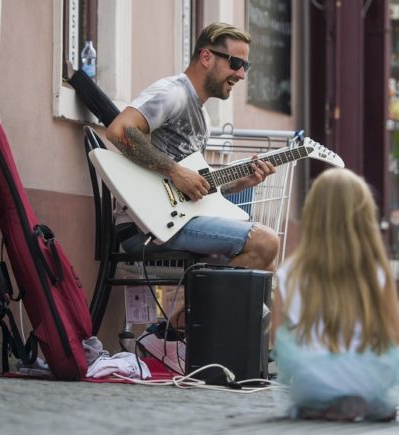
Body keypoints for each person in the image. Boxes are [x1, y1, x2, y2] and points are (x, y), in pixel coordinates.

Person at [105, 22, 279, 374]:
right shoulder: (172, 93)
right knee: (265, 241)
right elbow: (119, 131)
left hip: (178, 219)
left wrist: (236, 181)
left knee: (265, 261)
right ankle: (173, 335)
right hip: (144, 224)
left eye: (246, 67)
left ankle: (194, 342)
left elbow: (193, 189)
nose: (241, 74)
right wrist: (175, 171)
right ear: (206, 56)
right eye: (235, 63)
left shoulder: (200, 115)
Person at [272, 168, 399, 422]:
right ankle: (368, 399)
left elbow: (278, 339)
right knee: (394, 346)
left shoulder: (289, 272)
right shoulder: (376, 272)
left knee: (295, 353)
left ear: (312, 214)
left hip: (313, 379)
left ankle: (321, 404)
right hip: (369, 377)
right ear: (364, 217)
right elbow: (393, 334)